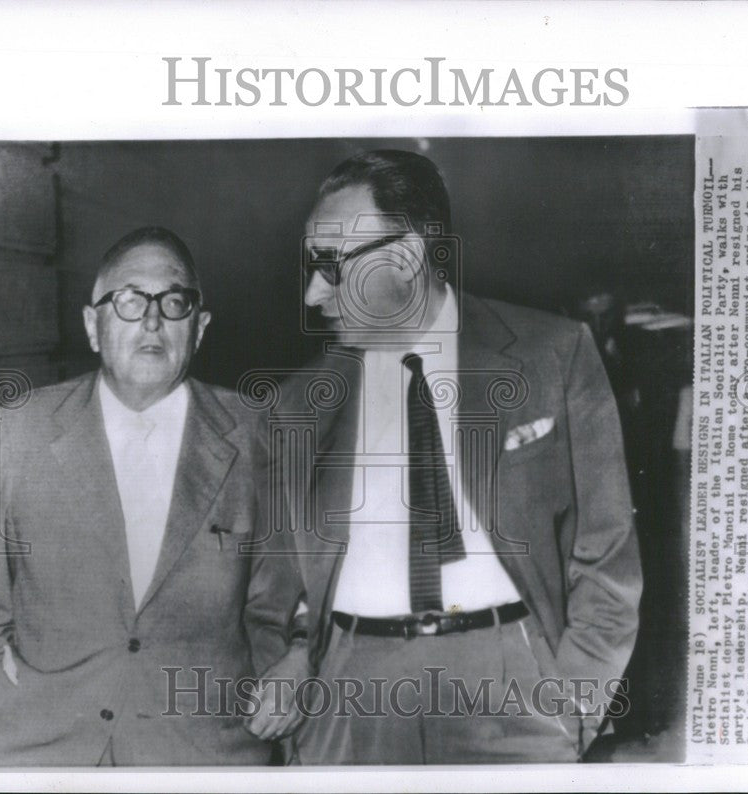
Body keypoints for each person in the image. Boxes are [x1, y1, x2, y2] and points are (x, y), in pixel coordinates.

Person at [272, 150, 642, 764]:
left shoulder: (553, 354)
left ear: (410, 253)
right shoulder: (299, 406)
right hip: (350, 695)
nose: (314, 293)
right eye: (311, 268)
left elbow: (607, 556)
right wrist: (295, 661)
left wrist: (572, 705)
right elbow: (278, 578)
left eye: (332, 267)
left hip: (512, 684)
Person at [0, 227, 303, 765]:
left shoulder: (256, 432)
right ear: (93, 325)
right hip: (46, 752)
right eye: (129, 300)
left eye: (174, 301)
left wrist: (292, 666)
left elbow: (283, 603)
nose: (152, 320)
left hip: (203, 755)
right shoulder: (22, 427)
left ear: (199, 327)